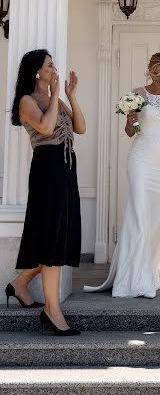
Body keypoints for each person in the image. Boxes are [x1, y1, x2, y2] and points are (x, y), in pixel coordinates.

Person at [85, 52, 160, 298]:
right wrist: (131, 121)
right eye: (156, 74)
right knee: (140, 213)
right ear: (149, 71)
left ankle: (153, 263)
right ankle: (137, 276)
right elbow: (132, 132)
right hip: (141, 159)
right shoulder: (137, 94)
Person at [6, 49, 85, 336]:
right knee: (51, 236)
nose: (55, 69)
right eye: (50, 65)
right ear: (37, 71)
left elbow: (80, 127)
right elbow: (48, 127)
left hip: (66, 168)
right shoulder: (27, 101)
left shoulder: (57, 98)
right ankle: (52, 311)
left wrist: (70, 96)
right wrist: (53, 95)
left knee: (59, 236)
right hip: (47, 168)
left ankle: (19, 284)